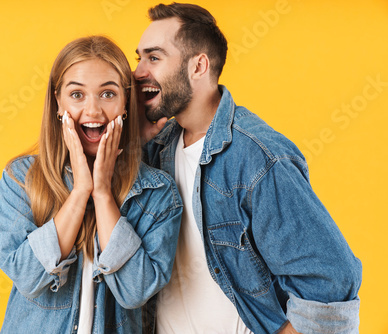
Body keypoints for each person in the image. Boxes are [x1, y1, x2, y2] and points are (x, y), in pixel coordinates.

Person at [135, 3, 362, 333]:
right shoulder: (157, 150)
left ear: (198, 66)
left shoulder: (258, 157)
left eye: (153, 58)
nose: (138, 71)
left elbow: (330, 279)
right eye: (138, 57)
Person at [0, 35, 182, 334]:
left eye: (108, 94)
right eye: (77, 95)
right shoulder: (21, 179)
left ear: (125, 102)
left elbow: (137, 291)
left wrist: (103, 192)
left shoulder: (158, 192)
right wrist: (81, 191)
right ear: (58, 101)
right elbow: (28, 279)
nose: (93, 111)